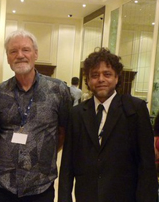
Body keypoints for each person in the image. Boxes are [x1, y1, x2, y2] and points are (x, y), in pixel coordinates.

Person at [58, 47, 158, 202]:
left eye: (107, 74)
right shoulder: (77, 114)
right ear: (88, 80)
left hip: (124, 196)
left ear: (117, 78)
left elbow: (147, 164)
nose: (101, 79)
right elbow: (67, 165)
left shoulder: (135, 109)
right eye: (95, 75)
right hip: (86, 196)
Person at [0, 29, 71, 202]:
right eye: (13, 51)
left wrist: (42, 152)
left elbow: (63, 131)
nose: (20, 55)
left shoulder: (58, 90)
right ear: (8, 58)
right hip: (4, 182)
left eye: (25, 49)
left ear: (35, 54)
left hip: (41, 183)